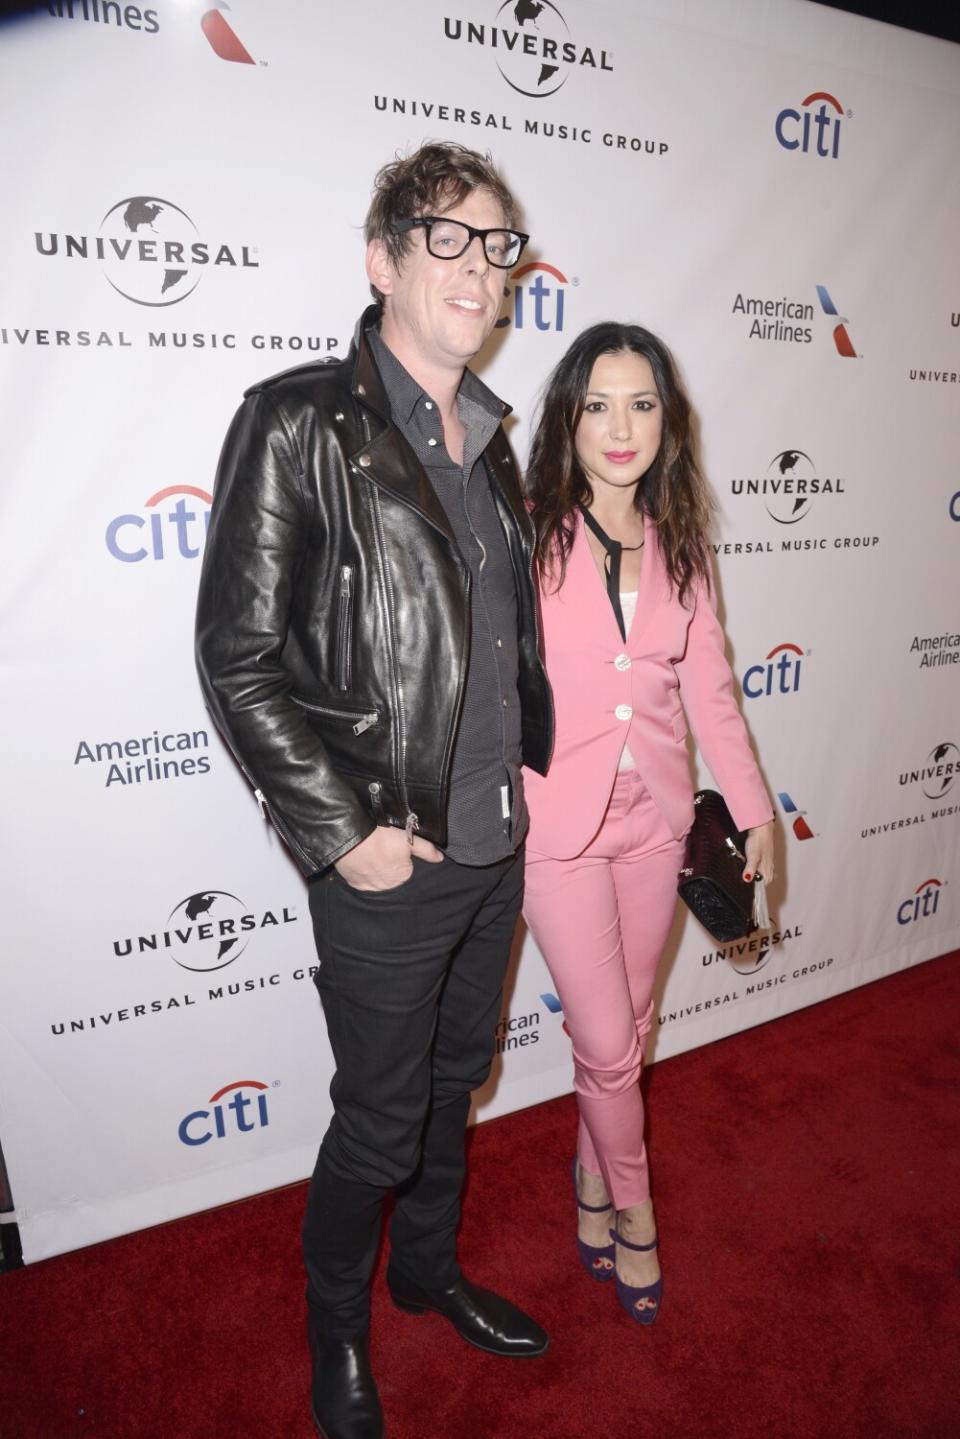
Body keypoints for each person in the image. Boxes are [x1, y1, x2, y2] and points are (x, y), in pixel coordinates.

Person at [195, 142, 554, 1439]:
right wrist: (345, 836)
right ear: (382, 258)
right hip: (389, 863)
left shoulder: (498, 440)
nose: (478, 267)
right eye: (446, 238)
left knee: (458, 1079)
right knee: (380, 1115)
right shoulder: (299, 421)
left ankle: (428, 1269)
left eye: (497, 244)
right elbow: (238, 655)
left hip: (495, 845)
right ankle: (336, 1326)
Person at [522, 322, 775, 1326]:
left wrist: (752, 809)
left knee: (623, 1033)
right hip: (559, 831)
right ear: (568, 418)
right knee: (612, 1043)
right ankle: (635, 1210)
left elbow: (711, 691)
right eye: (598, 403)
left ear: (669, 423)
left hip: (659, 824)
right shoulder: (528, 530)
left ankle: (588, 1182)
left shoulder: (684, 541)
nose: (620, 426)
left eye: (642, 403)